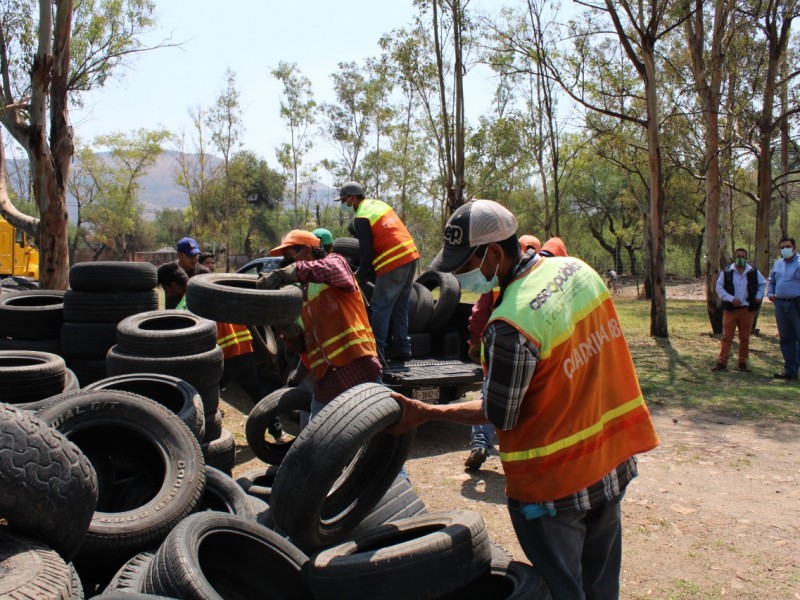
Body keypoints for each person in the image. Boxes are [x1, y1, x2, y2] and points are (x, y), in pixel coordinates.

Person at [387, 199, 659, 597]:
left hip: (556, 488)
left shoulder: (512, 322)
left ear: (494, 254)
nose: (459, 277)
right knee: (601, 585)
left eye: (464, 266)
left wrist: (426, 411)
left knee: (563, 588)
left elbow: (497, 413)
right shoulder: (580, 272)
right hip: (611, 464)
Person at [257, 229, 382, 419]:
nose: (287, 262)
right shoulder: (299, 296)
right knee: (317, 442)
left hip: (357, 366)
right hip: (326, 381)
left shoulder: (336, 263)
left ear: (307, 251)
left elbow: (336, 272)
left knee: (377, 430)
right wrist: (282, 322)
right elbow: (302, 346)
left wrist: (287, 274)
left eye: (289, 256)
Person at [465, 235, 540, 470]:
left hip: (495, 348)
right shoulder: (540, 281)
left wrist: (475, 341)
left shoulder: (495, 280)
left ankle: (480, 442)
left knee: (490, 397)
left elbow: (479, 312)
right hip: (535, 353)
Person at [338, 181, 420, 362]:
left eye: (345, 200)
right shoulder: (379, 205)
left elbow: (367, 252)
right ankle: (402, 347)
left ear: (353, 197)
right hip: (411, 255)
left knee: (380, 307)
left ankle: (378, 352)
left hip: (393, 260)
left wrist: (360, 274)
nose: (345, 204)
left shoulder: (361, 217)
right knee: (400, 305)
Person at [711, 248, 766, 373]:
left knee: (745, 337)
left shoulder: (753, 271)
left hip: (747, 310)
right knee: (726, 337)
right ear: (734, 258)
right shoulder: (727, 272)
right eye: (738, 256)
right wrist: (730, 298)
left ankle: (742, 363)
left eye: (742, 256)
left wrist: (758, 296)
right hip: (731, 310)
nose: (740, 258)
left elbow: (763, 283)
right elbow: (719, 288)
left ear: (746, 258)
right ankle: (722, 362)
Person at [767, 237, 800, 380]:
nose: (784, 250)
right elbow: (772, 281)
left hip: (797, 303)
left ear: (794, 248)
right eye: (782, 247)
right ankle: (790, 371)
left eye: (787, 246)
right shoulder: (777, 264)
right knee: (786, 338)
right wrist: (770, 294)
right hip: (780, 304)